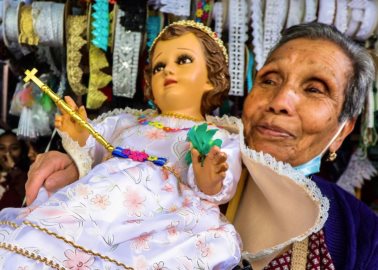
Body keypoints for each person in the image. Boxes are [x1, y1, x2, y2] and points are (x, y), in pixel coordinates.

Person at [24, 22, 378, 269]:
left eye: (315, 88)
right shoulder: (191, 145)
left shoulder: (359, 231)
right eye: (269, 79)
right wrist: (79, 165)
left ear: (343, 130)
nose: (281, 100)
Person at [0, 21, 242, 269]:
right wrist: (80, 134)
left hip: (159, 217)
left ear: (212, 79)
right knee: (57, 237)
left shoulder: (215, 135)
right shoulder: (128, 122)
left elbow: (220, 183)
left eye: (183, 60)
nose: (168, 70)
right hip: (100, 202)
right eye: (159, 66)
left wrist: (209, 177)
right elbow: (95, 148)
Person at [0, 130, 30, 209]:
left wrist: (13, 170)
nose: (7, 153)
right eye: (2, 148)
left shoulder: (27, 176)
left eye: (14, 148)